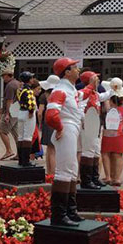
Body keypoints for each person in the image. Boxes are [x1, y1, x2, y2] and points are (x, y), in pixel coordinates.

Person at [45, 58, 85, 226]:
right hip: (67, 129)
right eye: (75, 68)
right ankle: (59, 214)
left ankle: (70, 210)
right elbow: (51, 115)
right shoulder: (61, 90)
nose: (78, 70)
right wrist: (60, 128)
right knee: (65, 171)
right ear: (67, 72)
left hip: (70, 129)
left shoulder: (70, 90)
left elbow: (86, 94)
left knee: (72, 170)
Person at [77, 71, 113, 189]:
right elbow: (80, 109)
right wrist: (85, 123)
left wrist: (114, 89)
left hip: (95, 127)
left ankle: (94, 178)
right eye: (95, 78)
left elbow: (105, 96)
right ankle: (86, 180)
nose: (98, 80)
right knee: (88, 152)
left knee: (96, 152)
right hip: (88, 127)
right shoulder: (84, 94)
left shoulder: (95, 93)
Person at [100, 78, 123, 186]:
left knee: (106, 152)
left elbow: (106, 111)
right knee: (118, 154)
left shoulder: (108, 98)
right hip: (122, 128)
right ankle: (117, 178)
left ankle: (108, 177)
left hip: (109, 128)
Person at [39, 75, 60, 175]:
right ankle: (53, 172)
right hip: (57, 120)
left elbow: (40, 112)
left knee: (49, 149)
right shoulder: (60, 94)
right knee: (54, 149)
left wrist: (40, 124)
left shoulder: (45, 95)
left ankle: (49, 171)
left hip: (48, 121)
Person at [15, 71, 37, 167]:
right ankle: (26, 161)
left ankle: (21, 160)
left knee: (20, 137)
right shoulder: (29, 91)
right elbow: (31, 104)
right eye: (31, 78)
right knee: (27, 137)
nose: (33, 79)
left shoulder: (19, 90)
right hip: (28, 114)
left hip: (20, 112)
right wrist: (31, 111)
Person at [0, 69, 21, 160]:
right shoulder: (18, 83)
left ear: (8, 76)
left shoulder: (10, 86)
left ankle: (9, 151)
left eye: (4, 76)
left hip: (11, 110)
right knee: (16, 134)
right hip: (18, 109)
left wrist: (7, 114)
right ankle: (20, 154)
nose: (3, 79)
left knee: (2, 130)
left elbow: (9, 100)